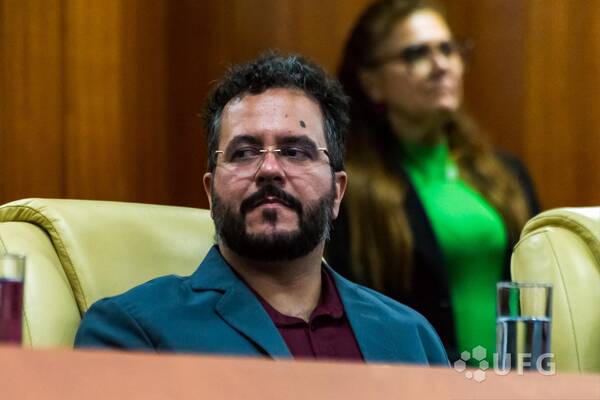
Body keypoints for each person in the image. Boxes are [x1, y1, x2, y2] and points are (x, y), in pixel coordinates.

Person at [75, 53, 448, 365]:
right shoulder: (134, 331)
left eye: (295, 152)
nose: (269, 169)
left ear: (337, 192)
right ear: (210, 193)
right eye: (243, 153)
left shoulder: (410, 336)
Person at [327, 0, 539, 362]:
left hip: (515, 378)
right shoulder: (349, 191)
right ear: (372, 83)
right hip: (416, 377)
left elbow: (540, 281)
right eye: (416, 54)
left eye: (448, 49)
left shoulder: (505, 173)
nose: (441, 65)